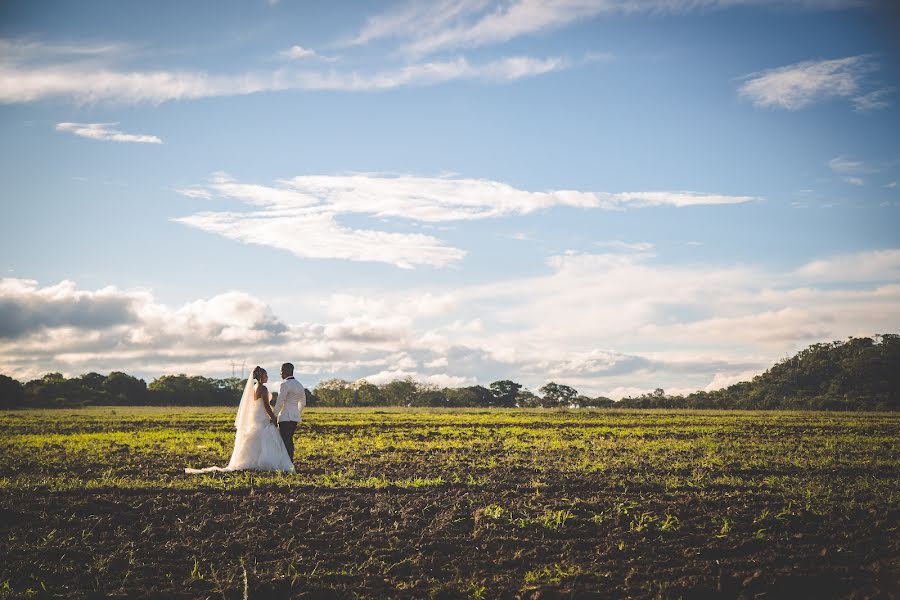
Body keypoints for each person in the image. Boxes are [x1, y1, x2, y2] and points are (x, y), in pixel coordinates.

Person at [185, 366, 294, 473]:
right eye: (265, 375)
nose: (267, 377)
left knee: (257, 437)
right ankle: (265, 463)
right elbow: (266, 406)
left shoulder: (255, 387)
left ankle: (253, 461)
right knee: (266, 437)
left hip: (257, 416)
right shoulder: (263, 388)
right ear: (260, 376)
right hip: (262, 416)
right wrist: (274, 418)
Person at [273, 362, 305, 462]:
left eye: (281, 371)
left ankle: (286, 462)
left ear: (286, 371)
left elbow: (280, 402)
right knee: (289, 440)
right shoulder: (299, 385)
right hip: (294, 417)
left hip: (285, 417)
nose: (281, 374)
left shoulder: (285, 384)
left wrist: (274, 416)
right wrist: (297, 412)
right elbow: (303, 402)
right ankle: (289, 461)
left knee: (284, 441)